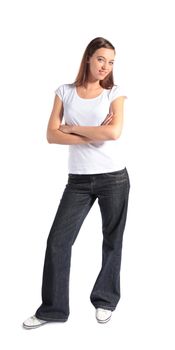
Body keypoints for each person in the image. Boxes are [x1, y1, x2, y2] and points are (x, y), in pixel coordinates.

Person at [23, 37, 130, 329]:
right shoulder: (64, 92)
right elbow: (51, 135)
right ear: (88, 59)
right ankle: (53, 310)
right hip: (78, 181)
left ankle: (105, 299)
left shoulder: (115, 93)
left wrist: (72, 128)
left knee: (112, 239)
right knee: (58, 241)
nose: (105, 67)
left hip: (114, 177)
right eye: (100, 60)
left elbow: (114, 133)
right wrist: (94, 132)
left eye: (111, 62)